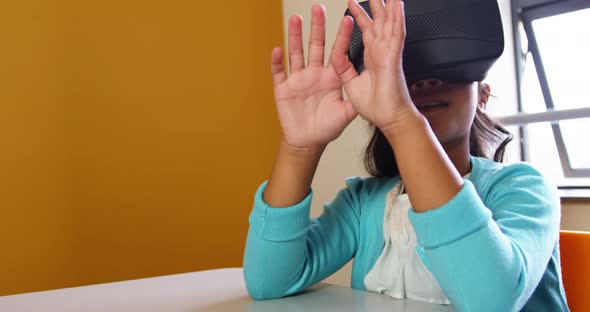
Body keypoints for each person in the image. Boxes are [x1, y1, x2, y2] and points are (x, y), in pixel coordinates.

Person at [243, 0, 569, 311]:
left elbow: (490, 301)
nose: (426, 81)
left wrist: (402, 118)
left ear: (483, 95)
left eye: (450, 66)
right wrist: (300, 149)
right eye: (406, 73)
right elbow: (268, 283)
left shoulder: (523, 189)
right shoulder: (366, 203)